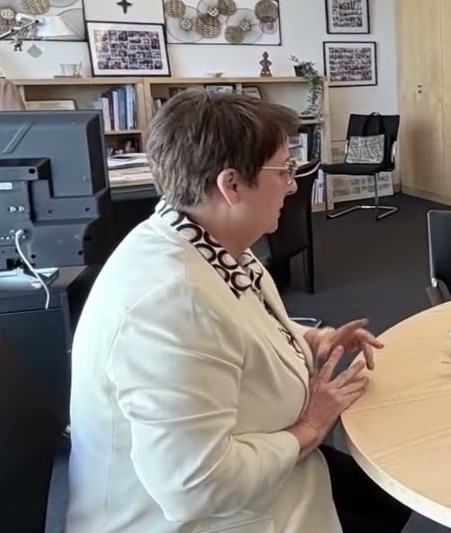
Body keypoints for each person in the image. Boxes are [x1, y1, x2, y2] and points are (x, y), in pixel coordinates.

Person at [66, 90, 413, 533]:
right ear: (231, 185)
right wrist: (311, 426)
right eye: (284, 171)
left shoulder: (203, 239)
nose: (292, 185)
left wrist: (313, 339)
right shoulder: (169, 302)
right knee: (385, 496)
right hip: (205, 517)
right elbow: (196, 487)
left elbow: (243, 326)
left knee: (387, 497)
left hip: (260, 469)